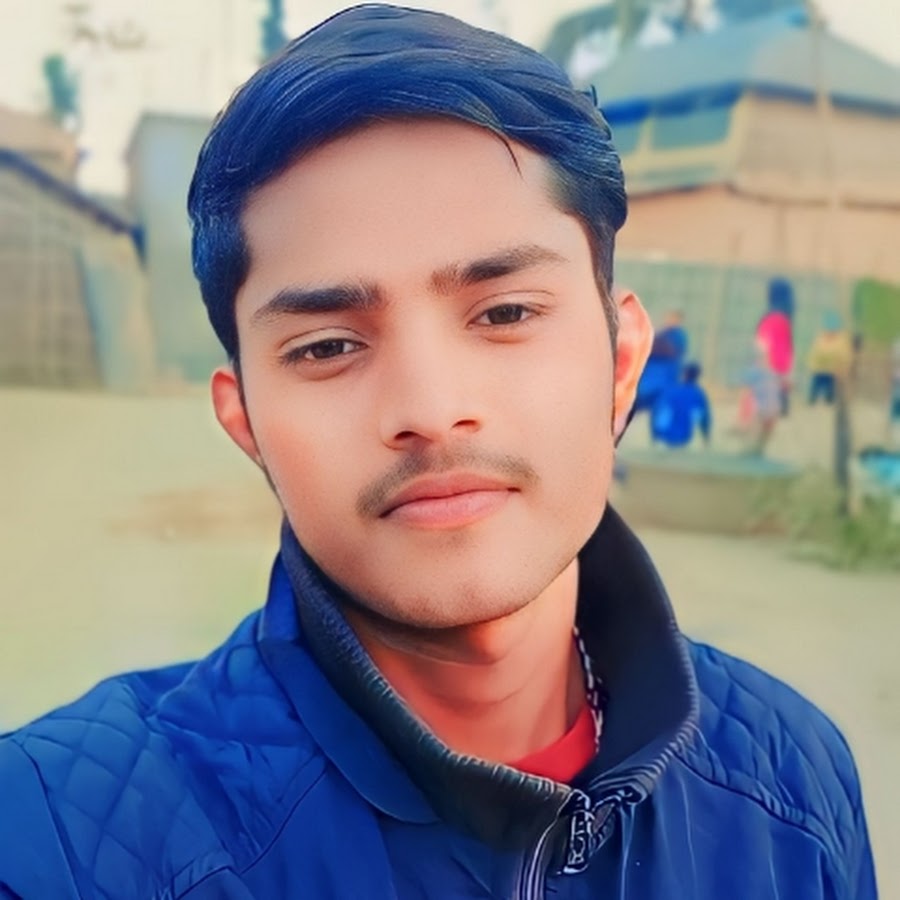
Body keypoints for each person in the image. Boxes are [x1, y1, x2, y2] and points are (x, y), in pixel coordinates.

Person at [0, 6, 876, 898]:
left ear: (621, 365)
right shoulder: (53, 844)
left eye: (506, 313)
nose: (430, 410)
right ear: (247, 424)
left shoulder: (792, 791)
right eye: (328, 346)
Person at [632, 309, 688, 422]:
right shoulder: (662, 333)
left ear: (679, 320)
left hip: (666, 371)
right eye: (669, 317)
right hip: (653, 370)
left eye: (673, 318)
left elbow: (674, 351)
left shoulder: (678, 336)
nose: (670, 320)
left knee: (660, 396)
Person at [756, 277, 795, 416]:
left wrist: (761, 359)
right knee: (780, 388)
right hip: (783, 362)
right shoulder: (786, 318)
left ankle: (770, 409)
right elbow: (788, 345)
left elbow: (762, 342)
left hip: (769, 360)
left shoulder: (770, 317)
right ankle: (782, 407)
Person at [650, 361, 711, 448]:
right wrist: (706, 438)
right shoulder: (697, 394)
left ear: (683, 374)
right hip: (684, 438)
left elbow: (656, 412)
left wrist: (654, 436)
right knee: (697, 411)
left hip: (663, 436)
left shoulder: (669, 390)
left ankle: (659, 439)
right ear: (697, 376)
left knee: (662, 408)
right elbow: (704, 419)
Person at [806, 311, 853, 406]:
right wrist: (812, 364)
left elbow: (845, 355)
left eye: (832, 331)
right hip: (819, 368)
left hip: (833, 370)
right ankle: (813, 398)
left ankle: (829, 399)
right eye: (828, 330)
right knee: (816, 383)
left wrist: (843, 368)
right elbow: (814, 352)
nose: (830, 333)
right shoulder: (820, 337)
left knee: (830, 385)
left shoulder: (841, 340)